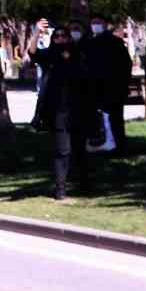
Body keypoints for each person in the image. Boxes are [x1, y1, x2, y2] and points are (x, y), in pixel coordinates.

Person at [41, 19, 94, 199]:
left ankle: (85, 185)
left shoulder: (79, 53)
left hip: (78, 109)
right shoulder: (50, 56)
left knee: (80, 149)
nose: (61, 38)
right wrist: (35, 32)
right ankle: (60, 188)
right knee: (62, 150)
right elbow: (33, 53)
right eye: (57, 36)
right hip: (58, 111)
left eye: (65, 35)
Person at [84, 13, 131, 154]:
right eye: (93, 22)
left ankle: (118, 146)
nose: (95, 25)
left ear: (105, 25)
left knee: (115, 119)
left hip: (113, 88)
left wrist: (121, 84)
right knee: (98, 119)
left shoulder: (115, 43)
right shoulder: (88, 43)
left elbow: (125, 65)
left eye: (98, 22)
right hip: (94, 89)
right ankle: (100, 144)